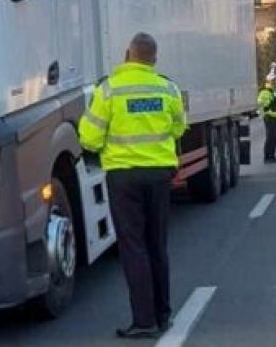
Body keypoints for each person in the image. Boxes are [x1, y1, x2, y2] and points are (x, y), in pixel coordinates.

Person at [78, 32, 188, 339]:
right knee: (157, 245)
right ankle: (163, 315)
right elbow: (179, 126)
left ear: (128, 54)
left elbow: (89, 137)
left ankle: (144, 321)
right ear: (154, 58)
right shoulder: (168, 88)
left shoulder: (109, 90)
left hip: (124, 176)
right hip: (159, 176)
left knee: (133, 247)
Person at [258, 79, 276, 163]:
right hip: (269, 116)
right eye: (273, 82)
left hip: (275, 117)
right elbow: (262, 102)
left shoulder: (273, 91)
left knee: (275, 137)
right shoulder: (265, 91)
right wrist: (269, 104)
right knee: (271, 137)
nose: (275, 83)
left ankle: (272, 156)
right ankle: (267, 157)